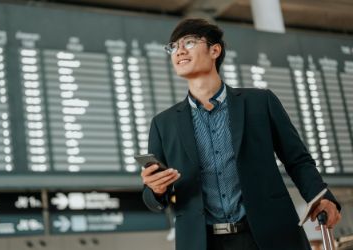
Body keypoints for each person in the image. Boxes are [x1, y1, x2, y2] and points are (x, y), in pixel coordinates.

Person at [140, 18, 341, 250]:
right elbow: (153, 199)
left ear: (215, 50)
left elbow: (297, 160)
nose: (179, 51)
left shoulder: (260, 102)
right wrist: (156, 189)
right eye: (173, 47)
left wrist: (321, 196)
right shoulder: (163, 124)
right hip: (202, 242)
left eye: (190, 43)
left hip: (271, 236)